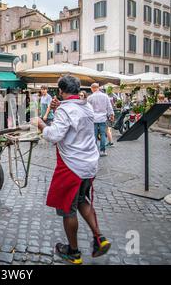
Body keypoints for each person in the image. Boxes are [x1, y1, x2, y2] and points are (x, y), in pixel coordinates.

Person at [31, 75, 111, 265]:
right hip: (90, 162)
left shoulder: (66, 110)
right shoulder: (86, 106)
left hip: (72, 166)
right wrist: (62, 108)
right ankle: (99, 238)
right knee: (82, 199)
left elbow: (54, 135)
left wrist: (41, 124)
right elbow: (75, 116)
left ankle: (73, 252)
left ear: (60, 91)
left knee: (68, 208)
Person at [87, 83, 114, 157]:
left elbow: (87, 109)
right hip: (103, 118)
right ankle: (102, 150)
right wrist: (111, 115)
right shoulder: (105, 96)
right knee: (103, 135)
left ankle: (94, 151)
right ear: (98, 88)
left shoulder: (90, 97)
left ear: (92, 88)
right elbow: (109, 107)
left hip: (93, 119)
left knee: (94, 135)